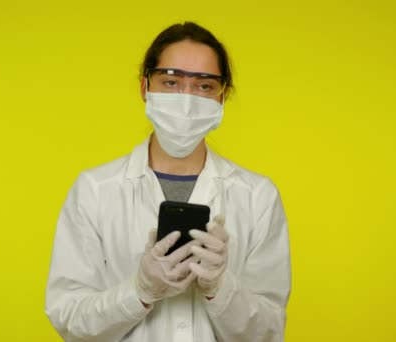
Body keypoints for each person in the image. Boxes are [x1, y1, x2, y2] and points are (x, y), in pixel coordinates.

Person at [45, 21, 291, 342]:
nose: (187, 100)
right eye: (171, 82)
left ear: (222, 95)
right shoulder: (94, 190)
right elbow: (69, 320)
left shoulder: (258, 196)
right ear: (145, 87)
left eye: (204, 86)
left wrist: (221, 288)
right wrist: (139, 292)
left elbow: (269, 332)